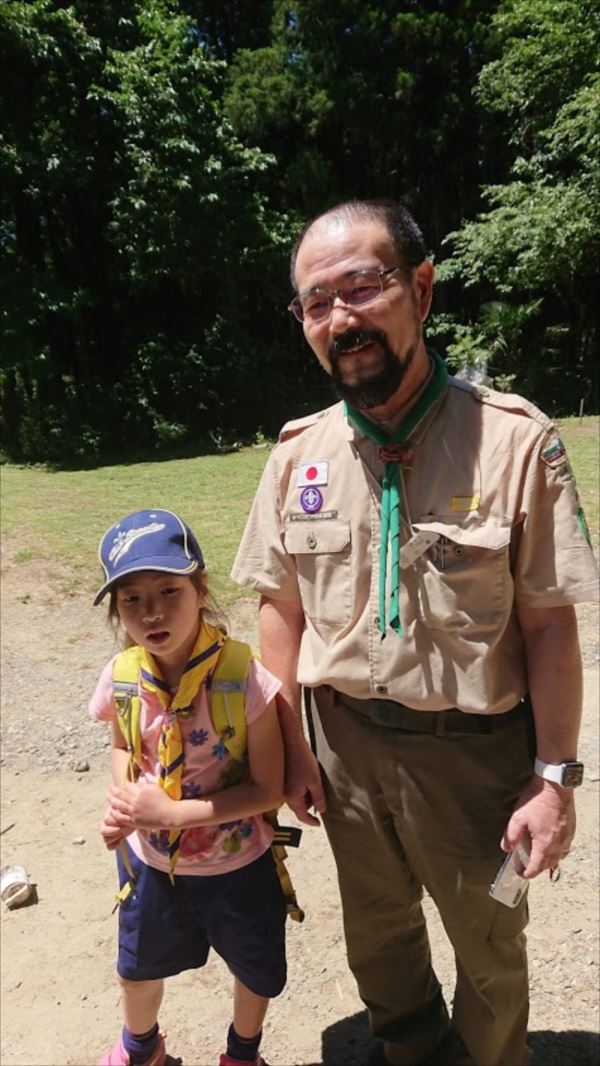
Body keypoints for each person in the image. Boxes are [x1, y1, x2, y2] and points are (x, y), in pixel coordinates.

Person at [230, 199, 599, 1066]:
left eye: (362, 287)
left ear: (421, 289)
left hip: (474, 758)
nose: (340, 318)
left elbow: (549, 625)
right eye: (316, 303)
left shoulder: (515, 443)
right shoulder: (297, 455)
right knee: (380, 942)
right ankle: (410, 1051)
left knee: (491, 950)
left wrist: (553, 781)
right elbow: (279, 608)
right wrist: (288, 746)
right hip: (344, 750)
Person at [90, 508, 286, 1066]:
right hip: (150, 864)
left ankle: (242, 1054)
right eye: (131, 598)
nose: (151, 612)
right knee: (136, 968)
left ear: (201, 589)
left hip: (237, 863)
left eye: (168, 591)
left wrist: (173, 815)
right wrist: (127, 805)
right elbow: (124, 747)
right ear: (115, 609)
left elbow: (267, 788)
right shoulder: (123, 677)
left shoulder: (243, 677)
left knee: (256, 968)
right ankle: (141, 1048)